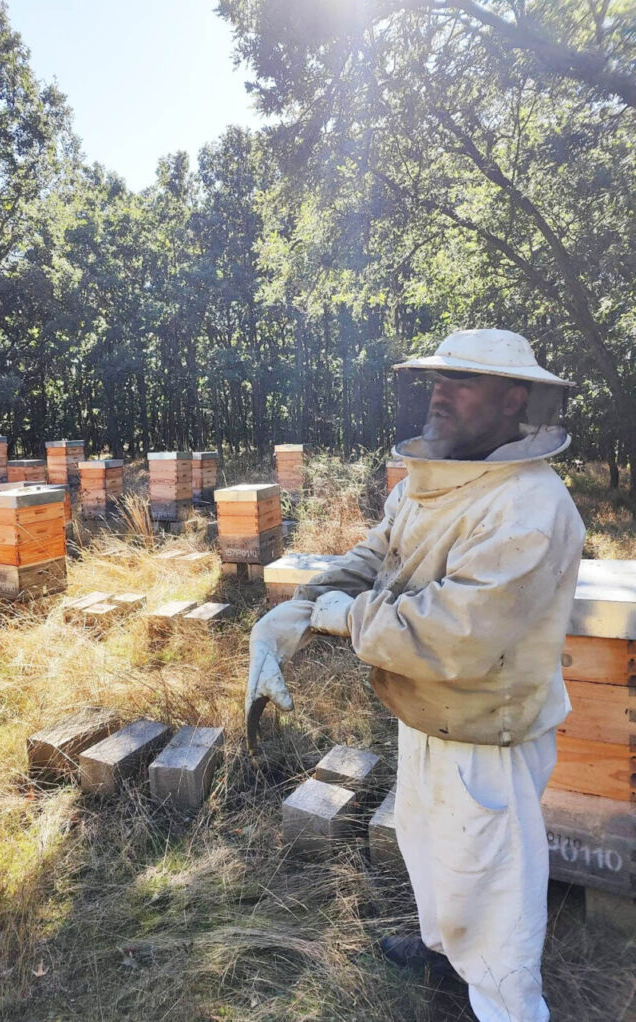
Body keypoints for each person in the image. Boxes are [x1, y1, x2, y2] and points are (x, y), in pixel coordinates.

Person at [246, 329, 586, 1022]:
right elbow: (376, 554)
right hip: (425, 714)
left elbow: (458, 634)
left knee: (491, 904)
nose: (439, 391)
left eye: (461, 380)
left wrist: (346, 618)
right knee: (430, 856)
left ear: (514, 398)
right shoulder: (435, 478)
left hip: (488, 735)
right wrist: (299, 610)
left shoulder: (530, 506)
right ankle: (442, 963)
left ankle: (503, 1006)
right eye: (435, 378)